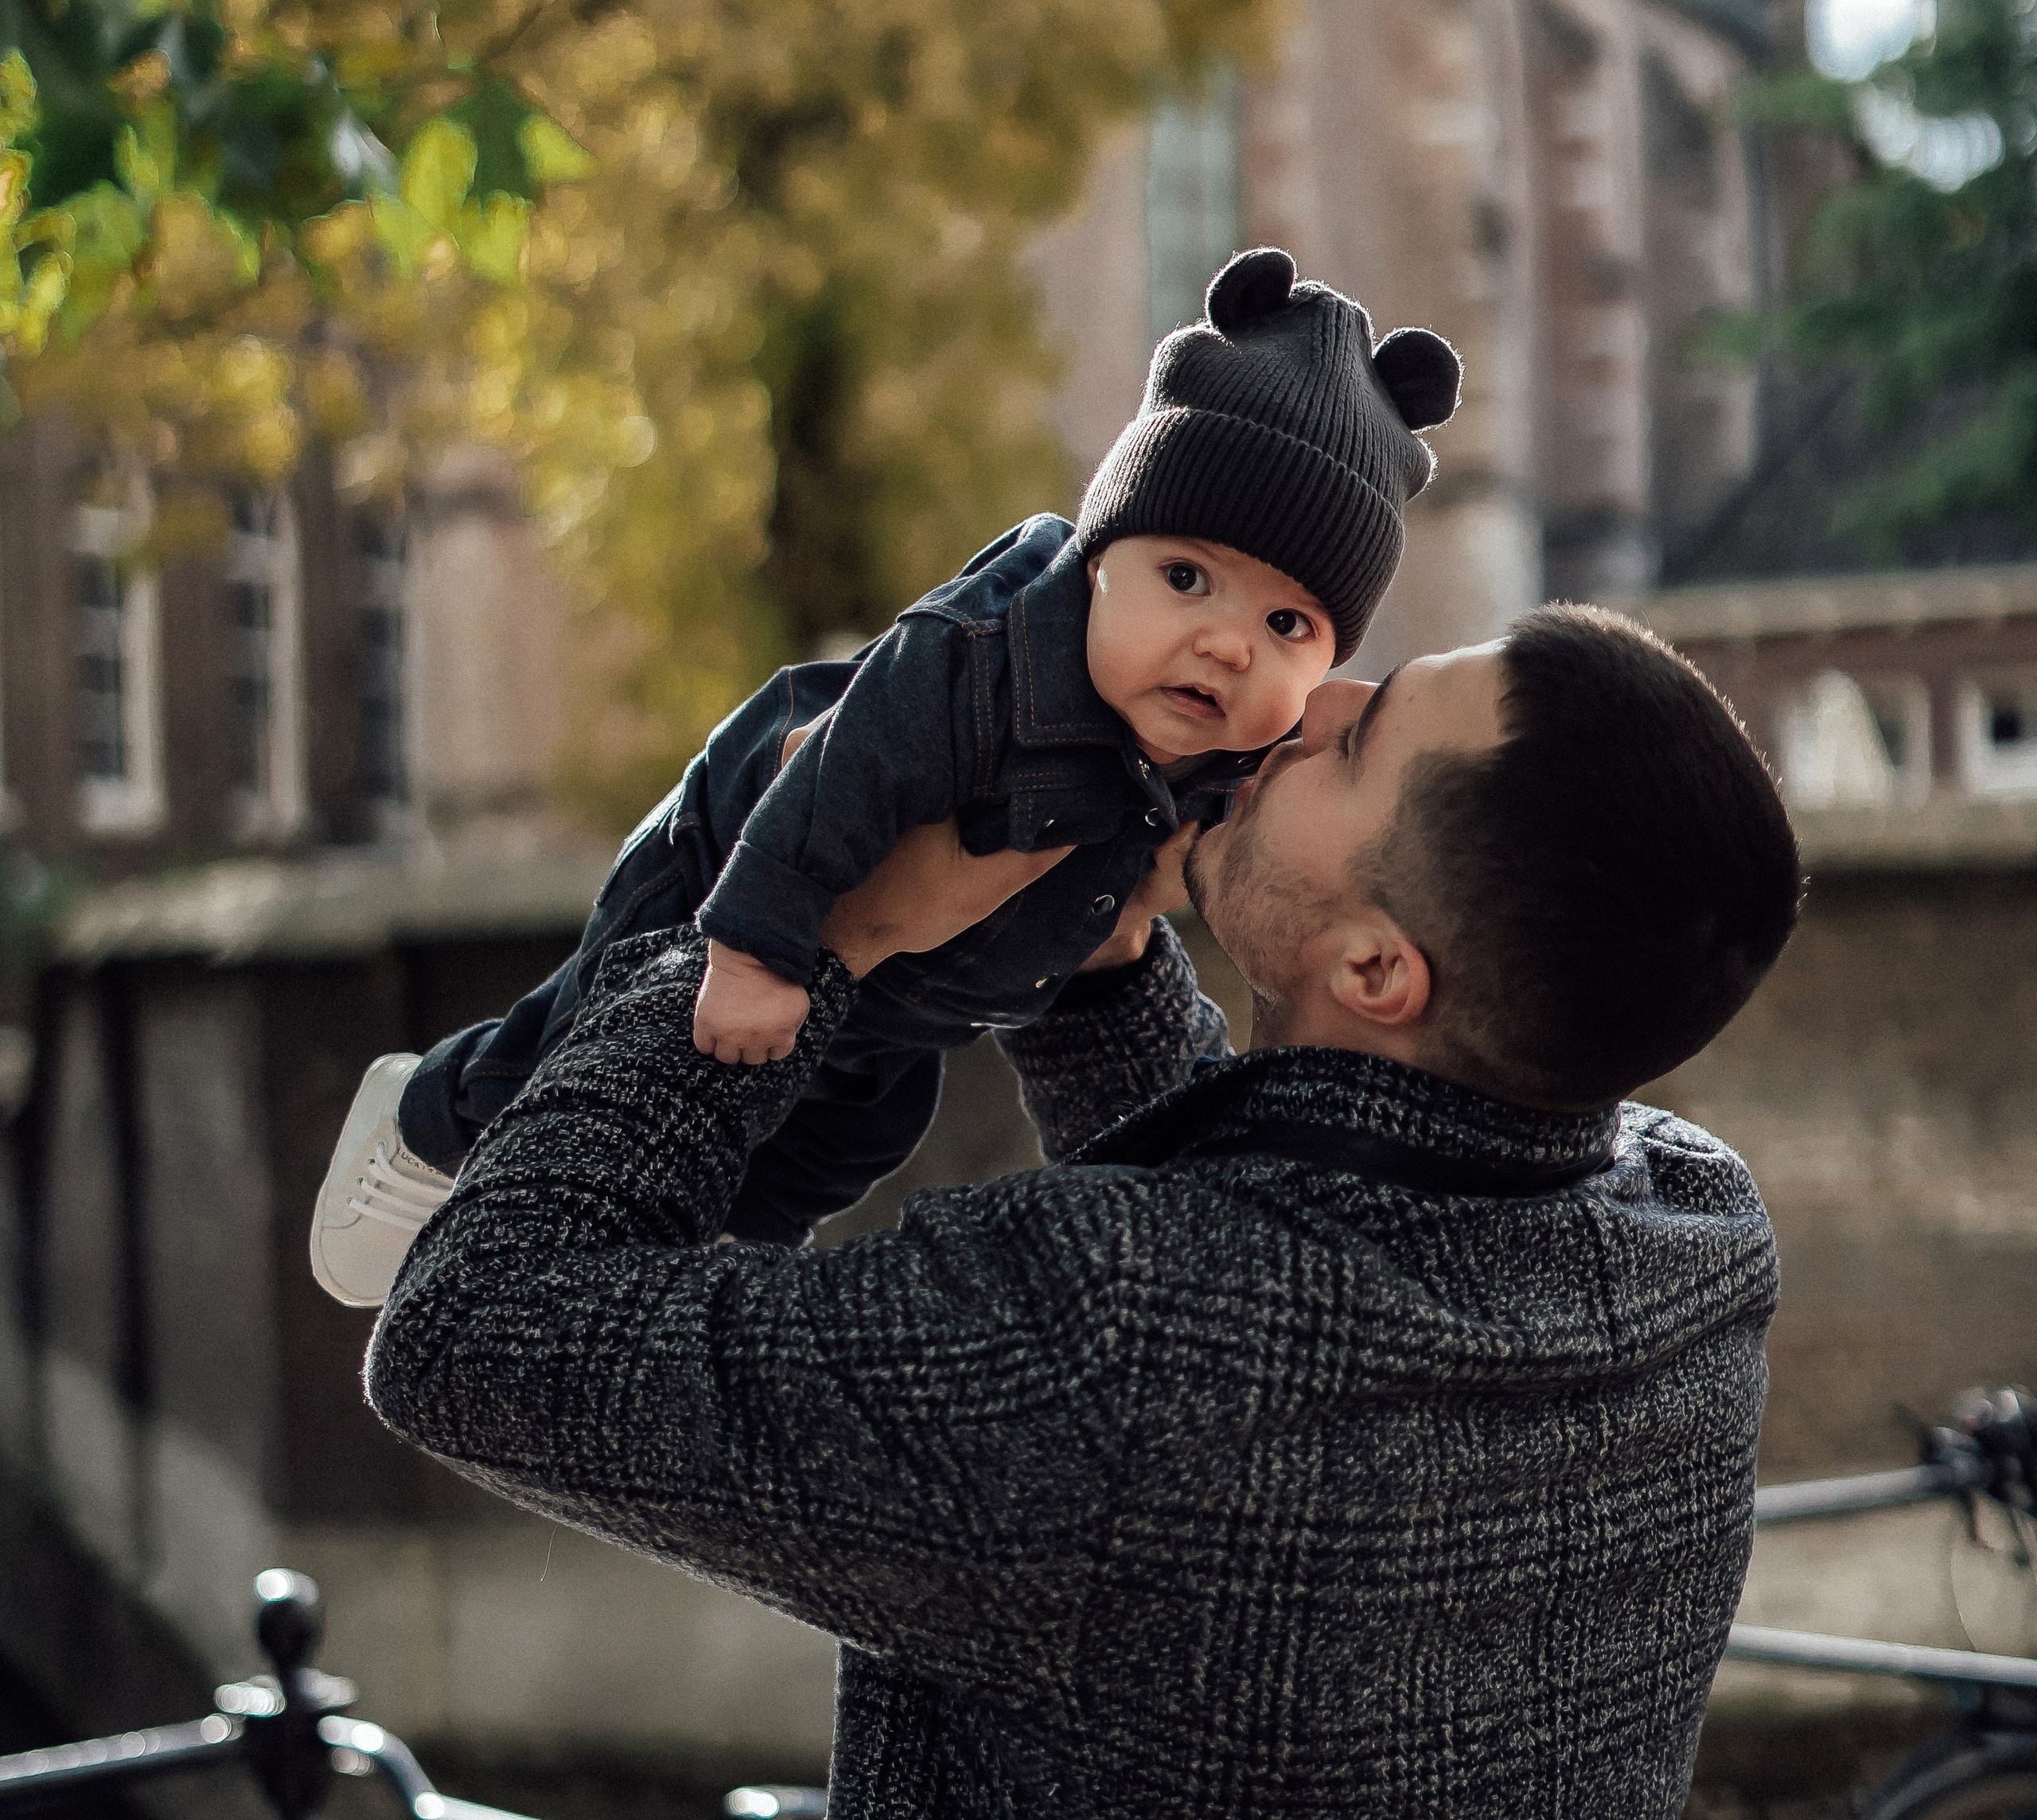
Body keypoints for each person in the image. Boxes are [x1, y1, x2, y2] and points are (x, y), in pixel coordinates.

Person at [366, 602, 1801, 1820]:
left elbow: (473, 1330)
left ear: (1378, 973)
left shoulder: (1115, 1350)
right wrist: (1101, 962)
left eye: (1359, 739)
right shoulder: (1693, 1225)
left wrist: (806, 936)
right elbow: (1287, 1262)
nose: (1314, 700)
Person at [310, 247, 1462, 1299]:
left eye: (1288, 624)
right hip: (742, 863)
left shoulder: (1238, 747)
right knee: (584, 1030)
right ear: (1103, 559)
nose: (1227, 644)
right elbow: (833, 779)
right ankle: (433, 1118)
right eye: (1186, 580)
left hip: (933, 996)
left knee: (857, 1131)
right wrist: (764, 947)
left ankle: (723, 1255)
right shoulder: (979, 662)